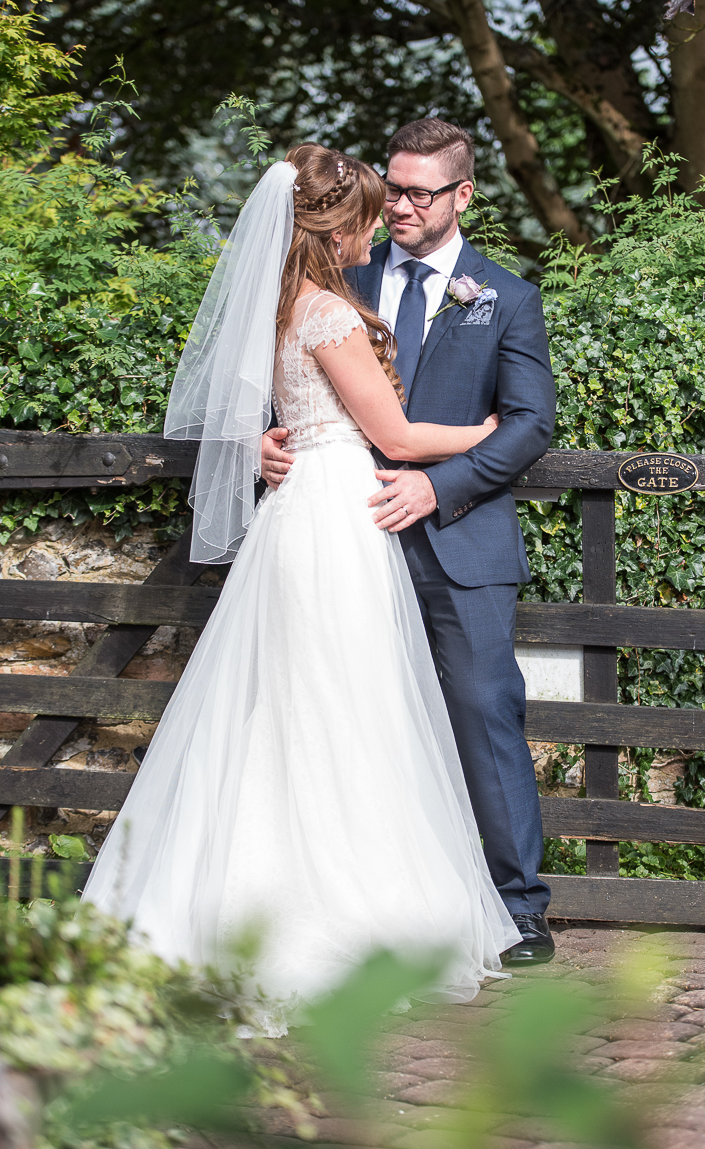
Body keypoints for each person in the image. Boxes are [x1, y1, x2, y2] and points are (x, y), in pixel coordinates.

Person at [82, 143, 521, 1025]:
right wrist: (487, 432)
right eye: (367, 213)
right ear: (336, 226)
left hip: (303, 520)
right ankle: (324, 911)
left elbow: (263, 412)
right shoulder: (327, 313)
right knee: (341, 707)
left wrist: (261, 442)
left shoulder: (283, 307)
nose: (379, 226)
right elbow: (393, 437)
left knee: (285, 710)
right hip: (331, 524)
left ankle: (243, 901)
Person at [262, 120, 557, 965]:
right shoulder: (334, 271)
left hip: (458, 542)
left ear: (464, 195)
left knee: (481, 713)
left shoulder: (506, 295)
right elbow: (270, 380)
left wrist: (439, 484)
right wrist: (259, 441)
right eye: (392, 186)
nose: (399, 204)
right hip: (342, 536)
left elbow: (531, 422)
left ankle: (516, 911)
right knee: (346, 718)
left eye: (420, 191)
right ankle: (366, 905)